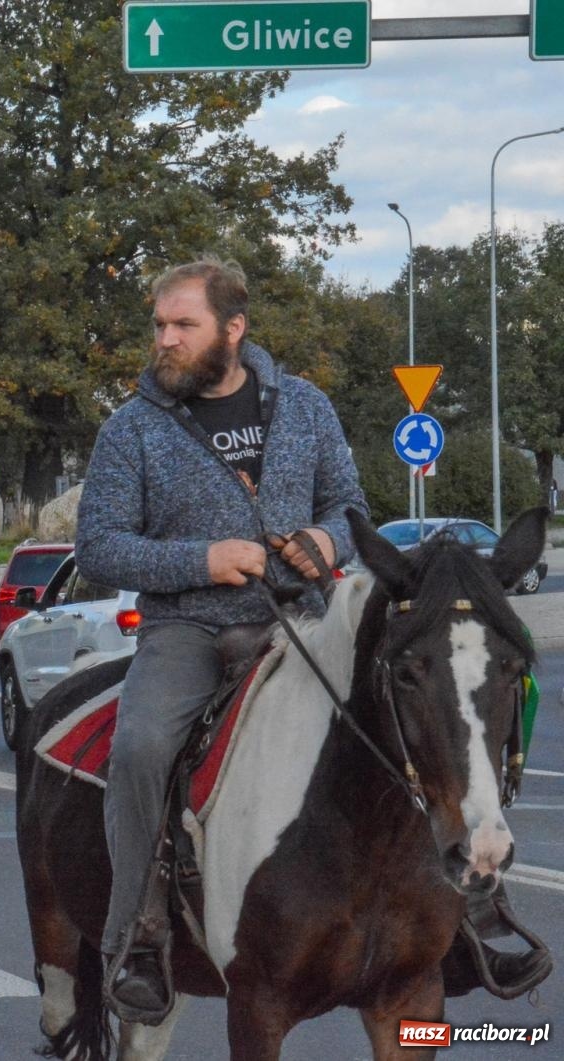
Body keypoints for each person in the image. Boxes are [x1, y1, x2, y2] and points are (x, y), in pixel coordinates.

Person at [74, 257, 545, 1021]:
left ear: (233, 329)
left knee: (430, 713)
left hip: (310, 622)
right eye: (160, 324)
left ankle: (478, 910)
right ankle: (138, 932)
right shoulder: (131, 428)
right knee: (140, 746)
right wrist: (205, 559)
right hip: (191, 630)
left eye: (183, 324)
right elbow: (97, 545)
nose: (165, 338)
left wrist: (327, 541)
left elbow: (346, 503)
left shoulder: (304, 406)